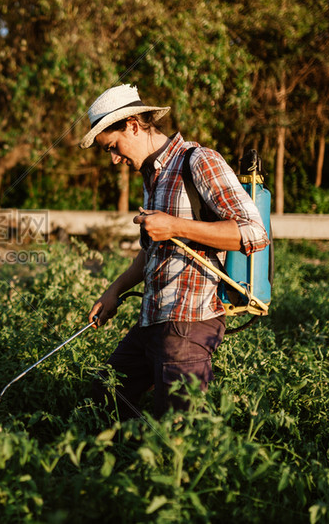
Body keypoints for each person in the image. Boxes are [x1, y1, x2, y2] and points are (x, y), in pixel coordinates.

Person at [79, 84, 269, 420]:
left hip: (190, 322)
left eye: (114, 146)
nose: (114, 159)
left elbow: (254, 233)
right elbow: (150, 251)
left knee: (179, 431)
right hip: (153, 319)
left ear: (133, 125)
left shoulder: (199, 161)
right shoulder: (152, 177)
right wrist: (114, 291)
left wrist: (176, 227)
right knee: (107, 394)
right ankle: (129, 464)